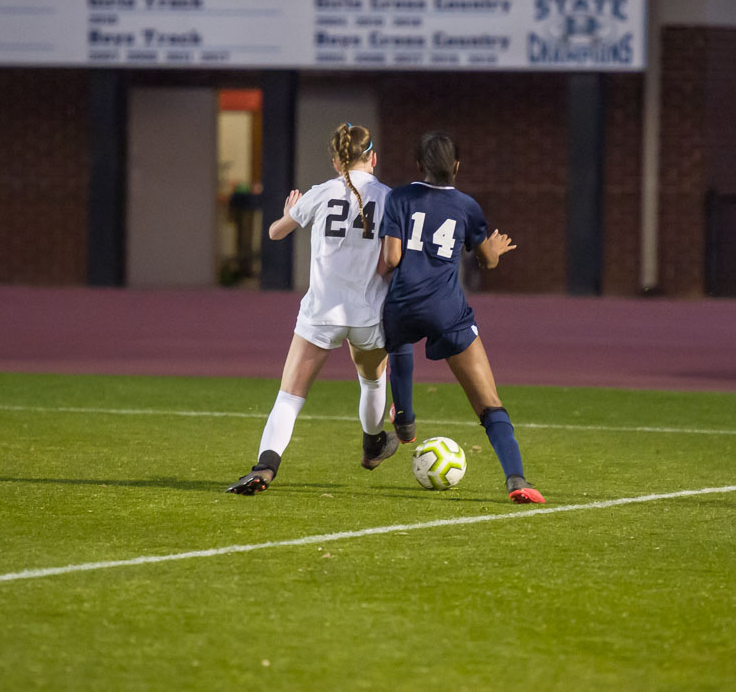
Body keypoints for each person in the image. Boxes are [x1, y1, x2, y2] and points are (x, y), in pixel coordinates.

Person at [227, 123, 401, 495]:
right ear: (373, 157)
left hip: (320, 312)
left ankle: (266, 467)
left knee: (289, 396)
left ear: (337, 161)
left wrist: (290, 210)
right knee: (372, 382)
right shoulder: (389, 197)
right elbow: (393, 257)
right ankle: (372, 445)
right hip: (368, 312)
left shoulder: (321, 192)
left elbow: (275, 232)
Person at [379, 131, 545, 504]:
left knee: (399, 345)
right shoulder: (467, 206)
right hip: (447, 310)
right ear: (456, 166)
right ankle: (517, 480)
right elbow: (486, 260)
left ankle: (404, 423)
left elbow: (391, 258)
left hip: (402, 305)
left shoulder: (399, 197)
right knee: (488, 403)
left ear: (418, 165)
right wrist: (496, 250)